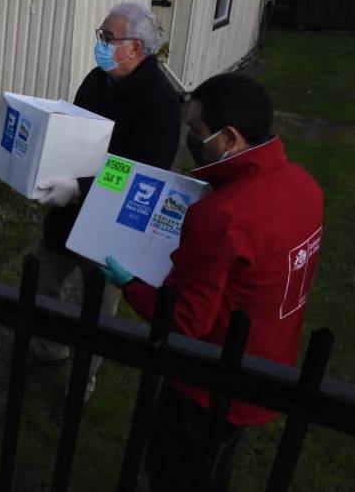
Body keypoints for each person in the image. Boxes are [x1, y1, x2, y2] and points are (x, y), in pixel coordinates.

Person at [102, 74, 324, 491]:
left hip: (209, 381)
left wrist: (131, 283)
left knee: (179, 472)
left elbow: (184, 320)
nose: (189, 137)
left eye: (196, 131)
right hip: (268, 359)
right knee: (215, 462)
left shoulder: (225, 215)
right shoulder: (304, 186)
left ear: (229, 139)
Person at [30, 2, 181, 400]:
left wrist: (77, 187)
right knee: (44, 276)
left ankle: (82, 381)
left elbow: (139, 175)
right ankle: (49, 347)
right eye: (101, 35)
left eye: (108, 38)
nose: (101, 44)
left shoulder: (159, 102)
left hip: (111, 223)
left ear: (136, 47)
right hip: (67, 211)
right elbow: (76, 131)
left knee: (98, 307)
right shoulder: (98, 80)